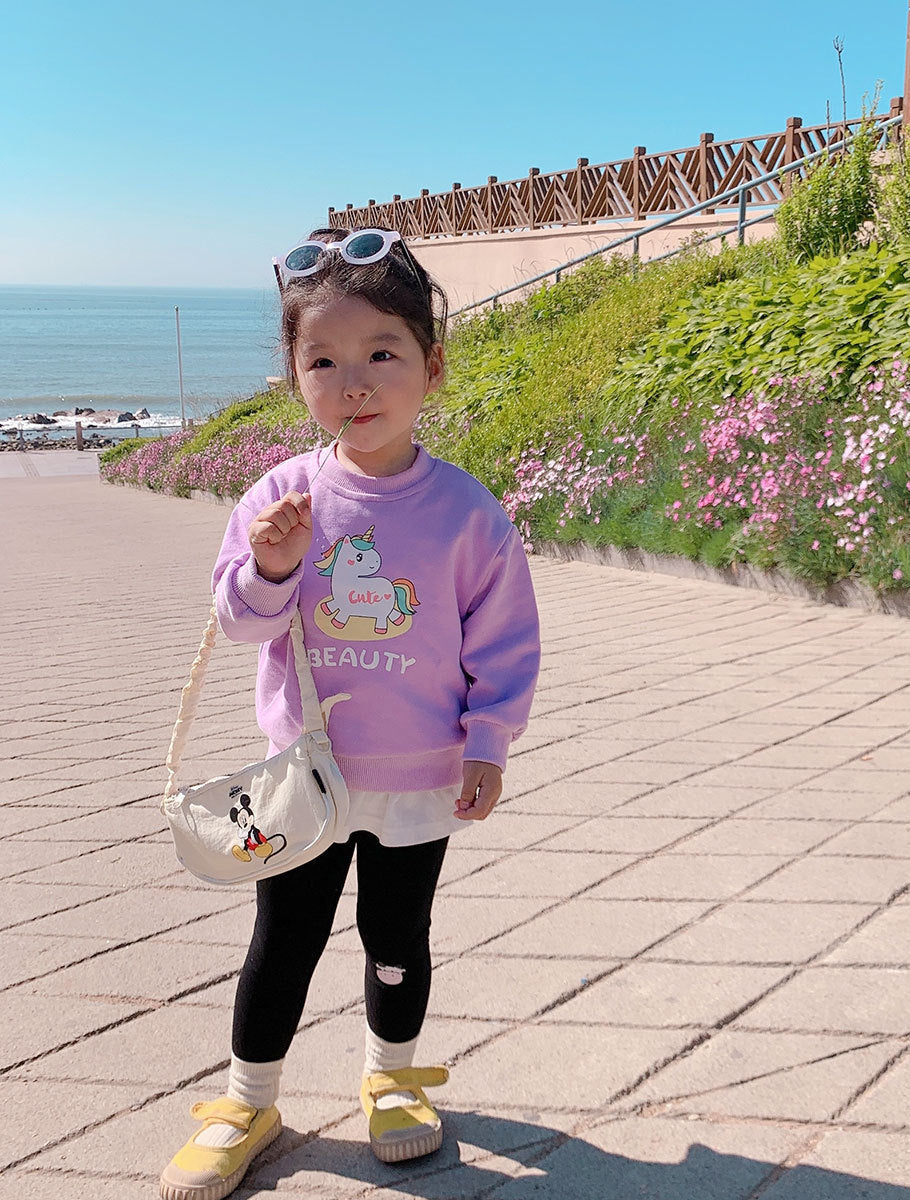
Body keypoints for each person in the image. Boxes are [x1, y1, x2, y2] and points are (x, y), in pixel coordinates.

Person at [159, 228, 541, 1200]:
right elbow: (238, 624)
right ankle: (248, 1099)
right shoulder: (283, 496)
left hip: (419, 779)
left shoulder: (466, 513)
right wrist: (274, 566)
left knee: (397, 935)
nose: (355, 382)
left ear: (431, 366)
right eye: (324, 361)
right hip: (307, 781)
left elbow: (504, 642)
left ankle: (392, 1078)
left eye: (383, 354)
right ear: (296, 378)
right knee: (282, 936)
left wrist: (489, 741)